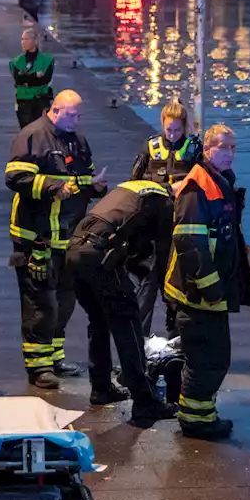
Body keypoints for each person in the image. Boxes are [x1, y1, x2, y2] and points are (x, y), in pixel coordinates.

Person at [5, 90, 107, 389]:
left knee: (65, 299)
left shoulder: (77, 140)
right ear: (57, 110)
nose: (78, 120)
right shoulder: (32, 136)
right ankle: (38, 367)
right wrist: (53, 187)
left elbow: (83, 179)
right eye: (73, 115)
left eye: (79, 115)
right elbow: (14, 177)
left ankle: (54, 356)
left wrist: (96, 186)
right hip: (36, 237)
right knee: (39, 300)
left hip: (68, 235)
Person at [66, 181, 181, 422]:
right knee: (128, 325)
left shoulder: (133, 188)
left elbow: (128, 234)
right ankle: (145, 403)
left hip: (75, 249)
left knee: (98, 321)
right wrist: (170, 299)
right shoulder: (163, 202)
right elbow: (161, 254)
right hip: (99, 254)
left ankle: (101, 388)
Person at [163, 124, 240, 440]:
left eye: (234, 148)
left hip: (210, 291)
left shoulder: (219, 183)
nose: (230, 153)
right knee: (207, 357)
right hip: (198, 292)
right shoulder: (197, 187)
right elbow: (190, 244)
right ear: (207, 149)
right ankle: (195, 420)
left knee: (213, 356)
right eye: (224, 147)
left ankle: (202, 414)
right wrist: (210, 287)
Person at [129, 100, 203, 336]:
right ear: (162, 125)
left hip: (179, 225)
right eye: (168, 130)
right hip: (151, 227)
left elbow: (207, 181)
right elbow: (134, 181)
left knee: (176, 285)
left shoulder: (194, 148)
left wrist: (187, 183)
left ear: (185, 127)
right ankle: (139, 341)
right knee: (147, 284)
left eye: (177, 130)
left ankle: (176, 339)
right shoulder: (150, 147)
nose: (172, 135)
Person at [10, 10, 55, 129]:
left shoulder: (47, 60)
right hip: (23, 101)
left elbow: (45, 79)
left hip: (41, 101)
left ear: (35, 41)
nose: (23, 42)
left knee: (42, 132)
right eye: (22, 39)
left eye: (26, 39)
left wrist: (27, 78)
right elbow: (18, 80)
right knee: (26, 133)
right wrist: (36, 75)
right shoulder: (16, 61)